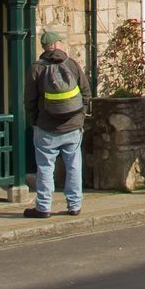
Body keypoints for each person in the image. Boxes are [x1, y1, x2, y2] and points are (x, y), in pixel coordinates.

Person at [27, 36, 88, 217]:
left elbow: (29, 100)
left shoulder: (36, 68)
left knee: (45, 167)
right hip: (73, 126)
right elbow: (86, 92)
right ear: (58, 44)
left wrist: (35, 122)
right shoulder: (72, 65)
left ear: (45, 47)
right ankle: (75, 205)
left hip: (46, 127)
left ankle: (44, 207)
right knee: (74, 165)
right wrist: (81, 116)